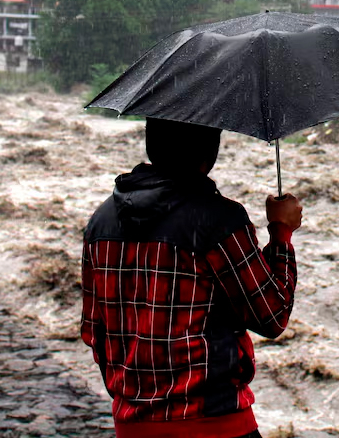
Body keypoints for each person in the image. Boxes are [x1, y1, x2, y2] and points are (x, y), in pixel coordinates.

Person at [81, 118, 301, 438]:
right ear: (210, 151)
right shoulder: (218, 220)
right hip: (215, 424)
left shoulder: (100, 222)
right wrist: (281, 233)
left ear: (151, 144)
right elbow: (272, 316)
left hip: (133, 426)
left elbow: (94, 331)